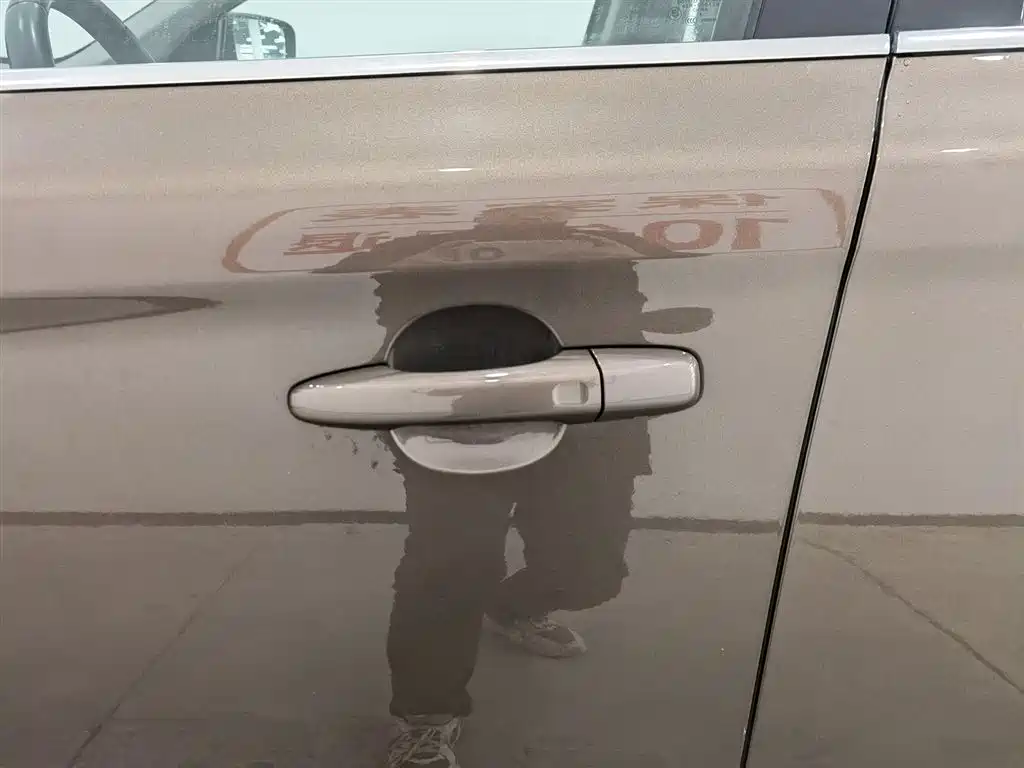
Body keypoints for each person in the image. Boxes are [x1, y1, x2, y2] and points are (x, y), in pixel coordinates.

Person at [315, 203, 709, 767]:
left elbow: (655, 289)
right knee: (450, 568)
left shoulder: (607, 225)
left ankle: (512, 606)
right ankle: (428, 715)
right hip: (452, 407)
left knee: (592, 573)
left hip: (592, 399)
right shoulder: (420, 231)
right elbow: (365, 294)